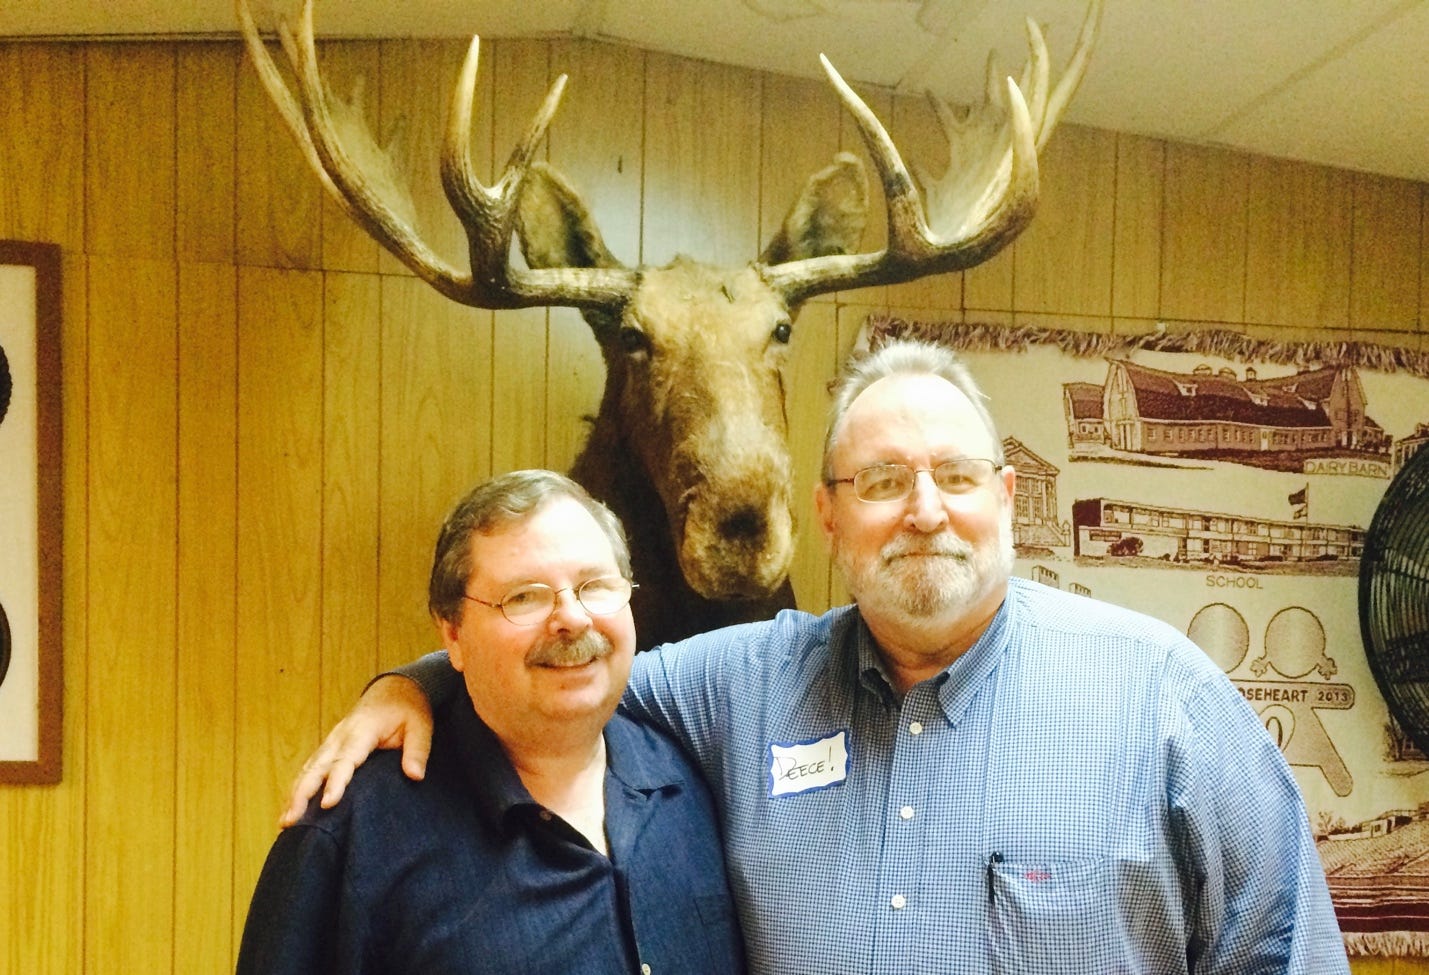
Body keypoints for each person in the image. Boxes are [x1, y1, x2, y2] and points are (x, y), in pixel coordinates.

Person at [286, 340, 1350, 974]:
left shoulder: (1161, 695)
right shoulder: (736, 686)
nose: (923, 510)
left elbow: (1285, 951)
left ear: (1007, 501)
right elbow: (568, 662)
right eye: (881, 483)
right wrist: (414, 682)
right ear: (828, 522)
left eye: (955, 475)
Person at [238, 470, 745, 975]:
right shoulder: (350, 834)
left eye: (595, 585)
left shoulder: (691, 783)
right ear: (453, 634)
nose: (572, 618)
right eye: (525, 596)